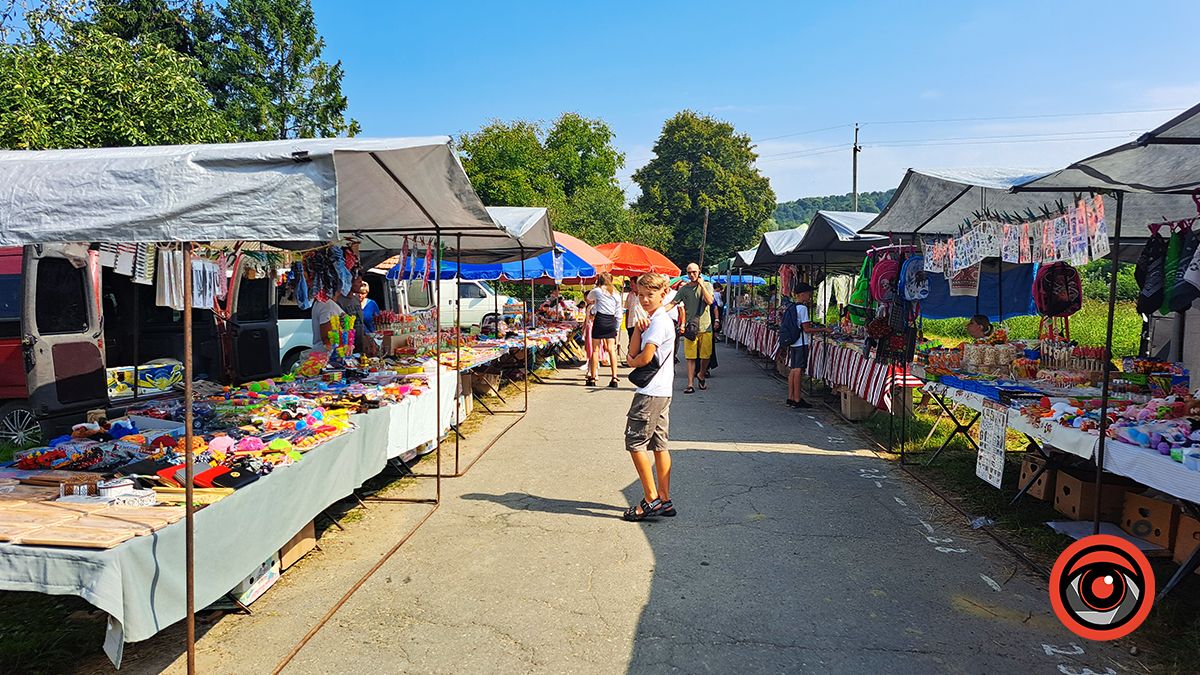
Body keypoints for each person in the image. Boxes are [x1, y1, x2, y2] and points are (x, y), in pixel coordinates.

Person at [622, 272, 677, 522]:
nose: (644, 300)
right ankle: (664, 499)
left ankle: (651, 498)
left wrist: (632, 361)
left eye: (650, 295)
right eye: (640, 295)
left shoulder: (659, 322)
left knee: (635, 444)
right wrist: (637, 331)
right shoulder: (656, 319)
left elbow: (640, 358)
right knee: (659, 444)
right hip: (662, 391)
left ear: (663, 294)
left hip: (649, 393)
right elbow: (634, 349)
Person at [785, 282, 830, 408]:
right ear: (803, 294)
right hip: (801, 342)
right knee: (799, 370)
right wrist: (824, 330)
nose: (810, 296)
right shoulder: (803, 309)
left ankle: (791, 397)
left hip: (793, 342)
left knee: (793, 369)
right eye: (809, 293)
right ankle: (798, 399)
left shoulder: (792, 307)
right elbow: (807, 329)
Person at [671, 263, 715, 394]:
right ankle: (690, 384)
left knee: (705, 356)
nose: (692, 275)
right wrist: (658, 311)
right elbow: (673, 303)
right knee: (690, 357)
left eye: (694, 272)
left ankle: (701, 374)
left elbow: (710, 301)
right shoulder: (684, 290)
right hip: (691, 328)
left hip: (705, 327)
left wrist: (701, 285)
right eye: (689, 272)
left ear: (699, 272)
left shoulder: (707, 285)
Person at [586, 273, 622, 387]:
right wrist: (617, 327)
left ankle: (593, 377)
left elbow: (588, 298)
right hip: (611, 320)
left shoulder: (597, 291)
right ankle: (614, 377)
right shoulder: (616, 294)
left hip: (600, 319)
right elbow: (619, 313)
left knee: (595, 350)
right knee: (611, 350)